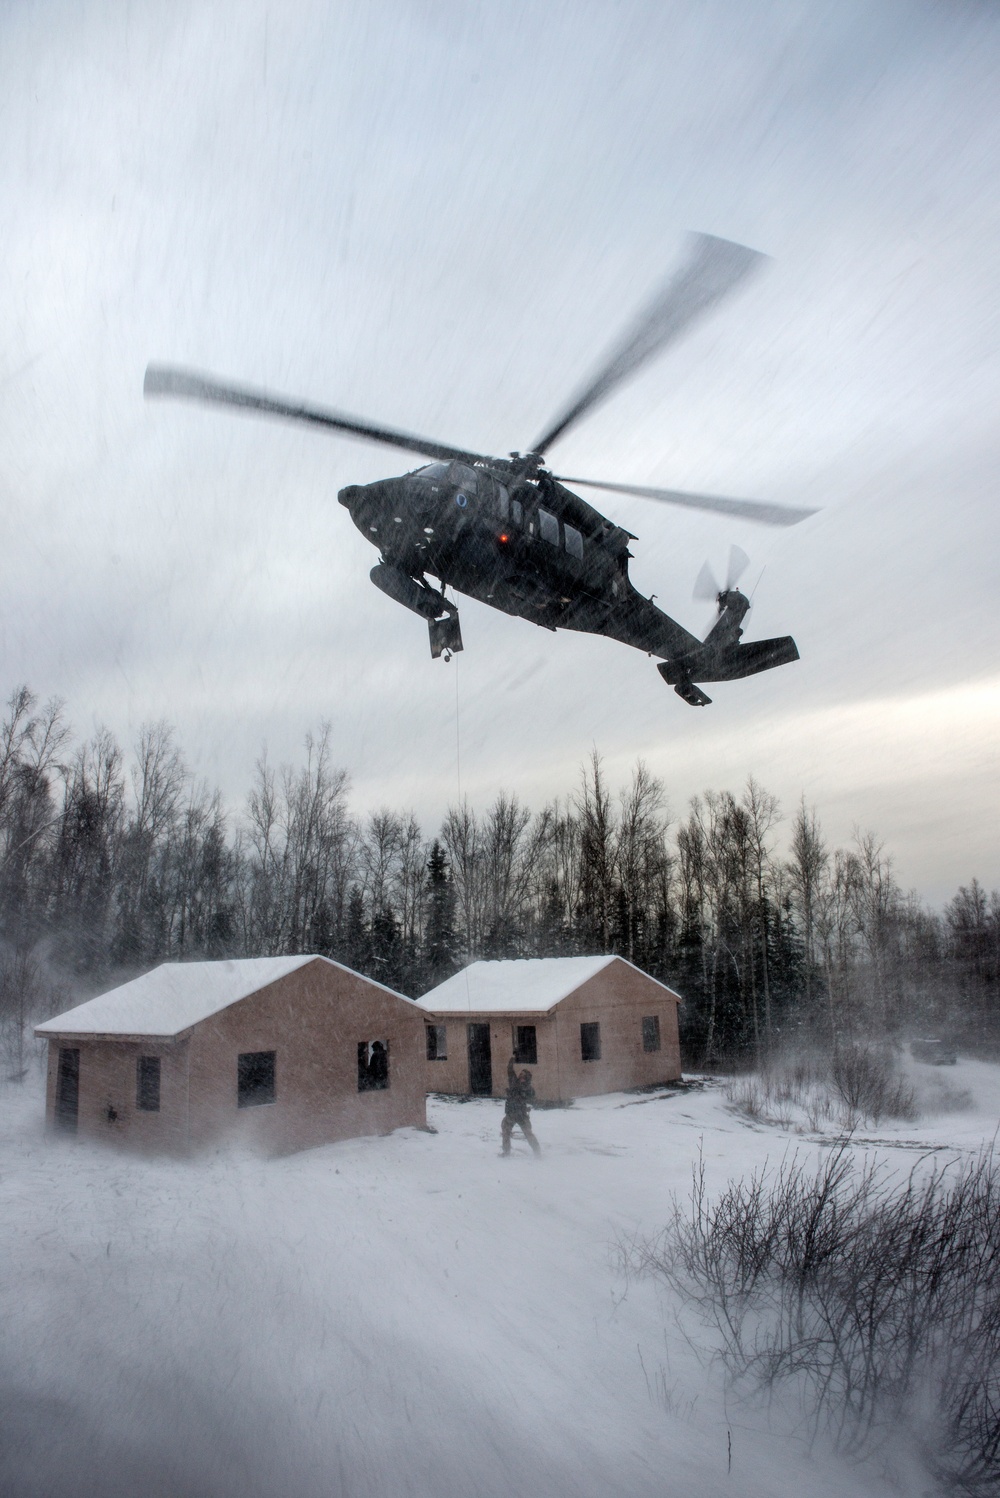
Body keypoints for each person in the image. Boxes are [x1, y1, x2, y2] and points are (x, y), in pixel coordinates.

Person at [501, 1054, 541, 1156]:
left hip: (521, 1114)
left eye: (524, 1076)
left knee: (528, 1133)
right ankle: (506, 1152)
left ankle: (537, 1152)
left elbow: (532, 1098)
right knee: (505, 1131)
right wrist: (512, 1059)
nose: (521, 1076)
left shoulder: (528, 1088)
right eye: (521, 1075)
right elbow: (510, 1070)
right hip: (511, 1113)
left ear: (527, 1079)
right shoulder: (514, 1082)